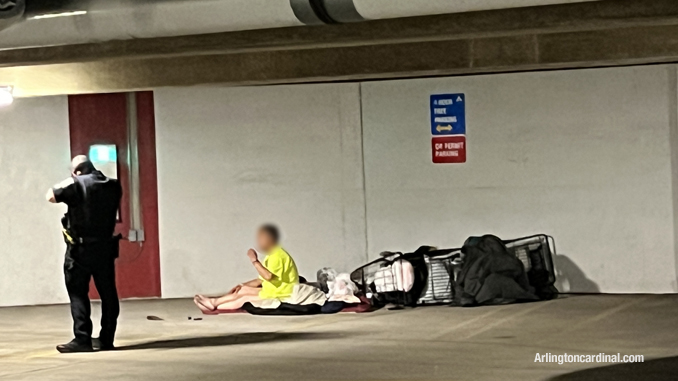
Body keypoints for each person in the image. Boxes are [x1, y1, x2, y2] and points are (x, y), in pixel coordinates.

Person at [46, 155, 122, 353]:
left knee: (78, 293)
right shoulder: (113, 185)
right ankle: (107, 339)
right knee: (108, 293)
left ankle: (82, 339)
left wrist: (72, 179)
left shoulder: (76, 183)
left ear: (77, 171)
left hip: (80, 250)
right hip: (105, 248)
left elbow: (50, 195)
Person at [194, 224, 299, 312]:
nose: (258, 242)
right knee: (243, 290)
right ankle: (213, 302)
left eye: (260, 238)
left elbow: (268, 276)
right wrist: (242, 285)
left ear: (269, 239)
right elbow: (261, 280)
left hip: (281, 293)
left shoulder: (278, 256)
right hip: (272, 290)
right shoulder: (271, 255)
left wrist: (254, 260)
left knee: (245, 298)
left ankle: (215, 307)